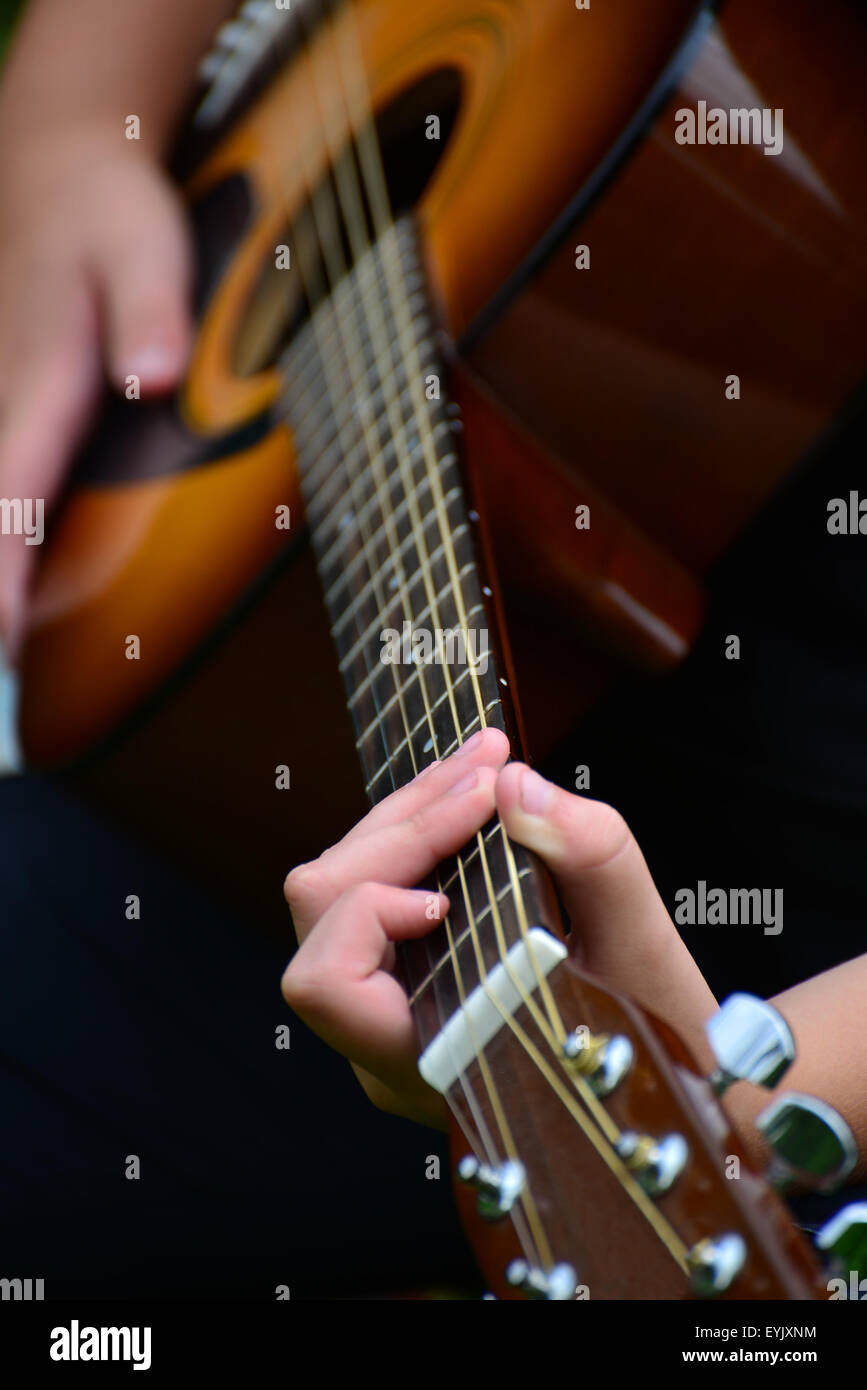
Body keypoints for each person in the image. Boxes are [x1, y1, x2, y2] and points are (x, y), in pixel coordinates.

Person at [0, 0, 864, 1298]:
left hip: (750, 967)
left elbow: (737, 1098)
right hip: (290, 751)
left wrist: (748, 1081)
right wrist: (65, 133)